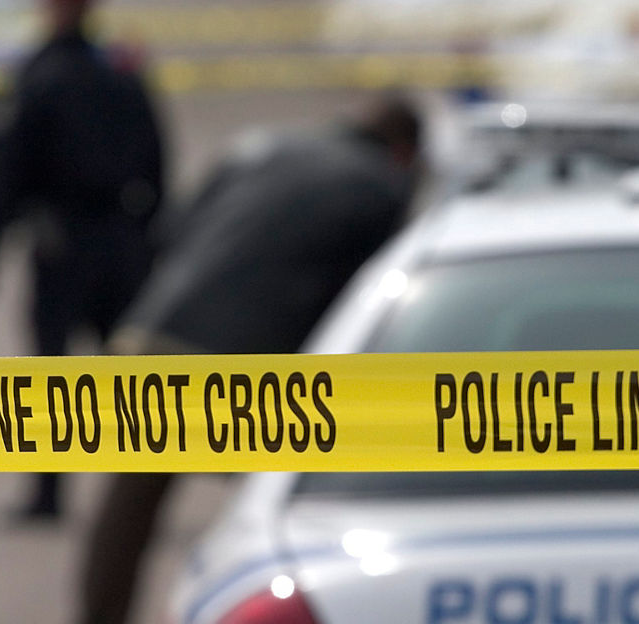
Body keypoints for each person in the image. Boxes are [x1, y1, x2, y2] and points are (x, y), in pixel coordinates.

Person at [78, 93, 424, 624]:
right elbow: (365, 301)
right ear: (405, 150)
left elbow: (172, 230)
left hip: (157, 332)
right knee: (272, 511)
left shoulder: (258, 148)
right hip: (247, 362)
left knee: (129, 505)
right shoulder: (382, 187)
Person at [0, 0, 165, 520]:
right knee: (126, 375)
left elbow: (10, 166)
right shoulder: (119, 69)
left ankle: (50, 495)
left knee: (53, 377)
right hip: (118, 241)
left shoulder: (42, 73)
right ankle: (134, 500)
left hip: (62, 245)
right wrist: (148, 232)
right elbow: (157, 157)